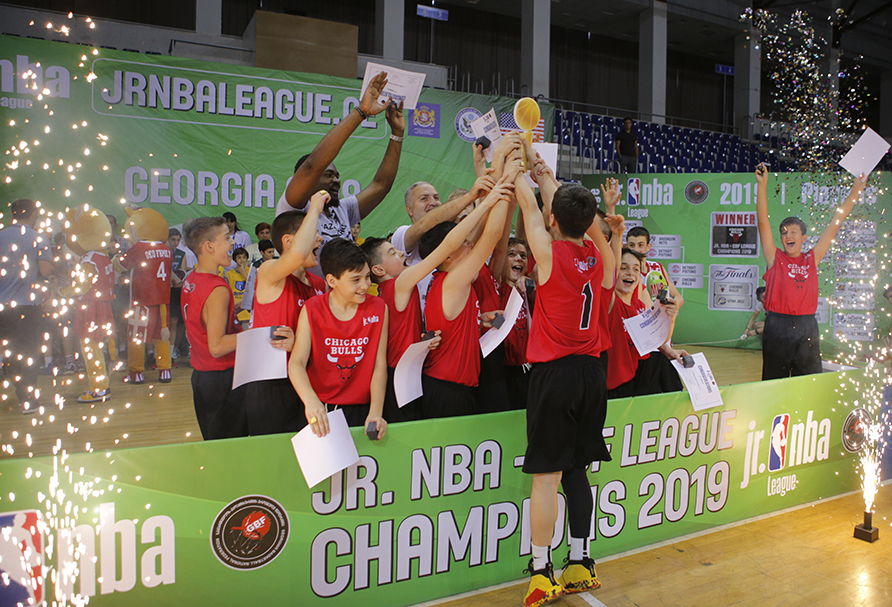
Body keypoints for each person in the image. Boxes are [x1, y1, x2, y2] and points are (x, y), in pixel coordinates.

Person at [513, 165, 621, 605]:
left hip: (555, 374)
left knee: (546, 477)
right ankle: (581, 562)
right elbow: (569, 211)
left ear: (554, 219)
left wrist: (516, 167)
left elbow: (528, 206)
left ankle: (542, 571)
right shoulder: (602, 255)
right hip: (592, 374)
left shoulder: (548, 253)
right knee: (578, 469)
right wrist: (544, 174)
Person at [360, 193, 500, 422]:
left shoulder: (397, 290)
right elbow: (449, 247)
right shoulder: (399, 284)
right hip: (402, 378)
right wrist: (486, 201)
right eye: (393, 253)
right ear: (378, 270)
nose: (402, 253)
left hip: (411, 375)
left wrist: (422, 341)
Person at [417, 172, 517, 419]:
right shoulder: (453, 280)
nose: (470, 244)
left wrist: (478, 319)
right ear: (447, 256)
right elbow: (492, 236)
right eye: (463, 242)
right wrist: (502, 187)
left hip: (451, 388)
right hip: (447, 391)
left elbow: (450, 324)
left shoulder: (446, 281)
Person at [756, 163, 869, 379]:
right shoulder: (775, 258)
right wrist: (762, 185)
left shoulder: (811, 258)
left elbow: (835, 224)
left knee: (808, 379)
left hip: (807, 326)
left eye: (794, 232)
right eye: (784, 233)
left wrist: (856, 190)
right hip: (777, 325)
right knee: (774, 380)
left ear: (804, 238)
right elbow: (763, 223)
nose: (788, 236)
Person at [276, 72, 405, 251]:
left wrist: (397, 133)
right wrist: (361, 112)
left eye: (337, 176)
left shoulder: (342, 209)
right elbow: (312, 167)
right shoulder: (294, 207)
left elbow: (380, 185)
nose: (336, 180)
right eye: (328, 175)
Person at [288, 238, 388, 437]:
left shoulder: (379, 308)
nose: (365, 285)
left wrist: (376, 412)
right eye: (356, 280)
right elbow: (296, 363)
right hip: (320, 409)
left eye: (367, 277)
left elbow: (379, 364)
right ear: (332, 281)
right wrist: (310, 400)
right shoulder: (312, 309)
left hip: (362, 410)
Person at [248, 192, 327, 435]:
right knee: (273, 453)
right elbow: (297, 255)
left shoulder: (319, 285)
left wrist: (300, 344)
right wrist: (314, 208)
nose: (319, 238)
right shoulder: (269, 272)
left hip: (307, 379)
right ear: (289, 241)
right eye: (313, 233)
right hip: (271, 383)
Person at [182, 218, 269, 439]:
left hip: (202, 377)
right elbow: (217, 346)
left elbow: (205, 317)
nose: (232, 243)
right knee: (232, 446)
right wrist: (260, 334)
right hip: (222, 378)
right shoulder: (217, 288)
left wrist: (238, 305)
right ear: (209, 246)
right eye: (227, 238)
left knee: (216, 443)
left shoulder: (192, 279)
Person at [605, 248, 688, 399]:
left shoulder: (638, 306)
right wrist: (617, 237)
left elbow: (655, 339)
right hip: (611, 385)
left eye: (636, 269)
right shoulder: (609, 301)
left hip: (633, 379)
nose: (630, 273)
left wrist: (672, 319)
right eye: (623, 268)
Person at [0, 199, 53, 414]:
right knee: (29, 351)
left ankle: (18, 387)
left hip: (3, 306)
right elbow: (46, 271)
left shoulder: (1, 236)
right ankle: (28, 399)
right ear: (33, 214)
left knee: (10, 350)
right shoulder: (39, 238)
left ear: (13, 214)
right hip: (28, 305)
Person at [242, 239, 276, 322]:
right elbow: (251, 285)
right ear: (261, 252)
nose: (272, 254)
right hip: (261, 298)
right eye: (269, 252)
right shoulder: (255, 266)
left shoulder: (278, 261)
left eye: (273, 251)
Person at [226, 247, 251, 325]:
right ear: (235, 259)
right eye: (239, 257)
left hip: (249, 314)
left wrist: (244, 273)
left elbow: (254, 287)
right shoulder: (229, 274)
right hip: (236, 313)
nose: (242, 260)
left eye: (244, 257)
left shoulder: (251, 271)